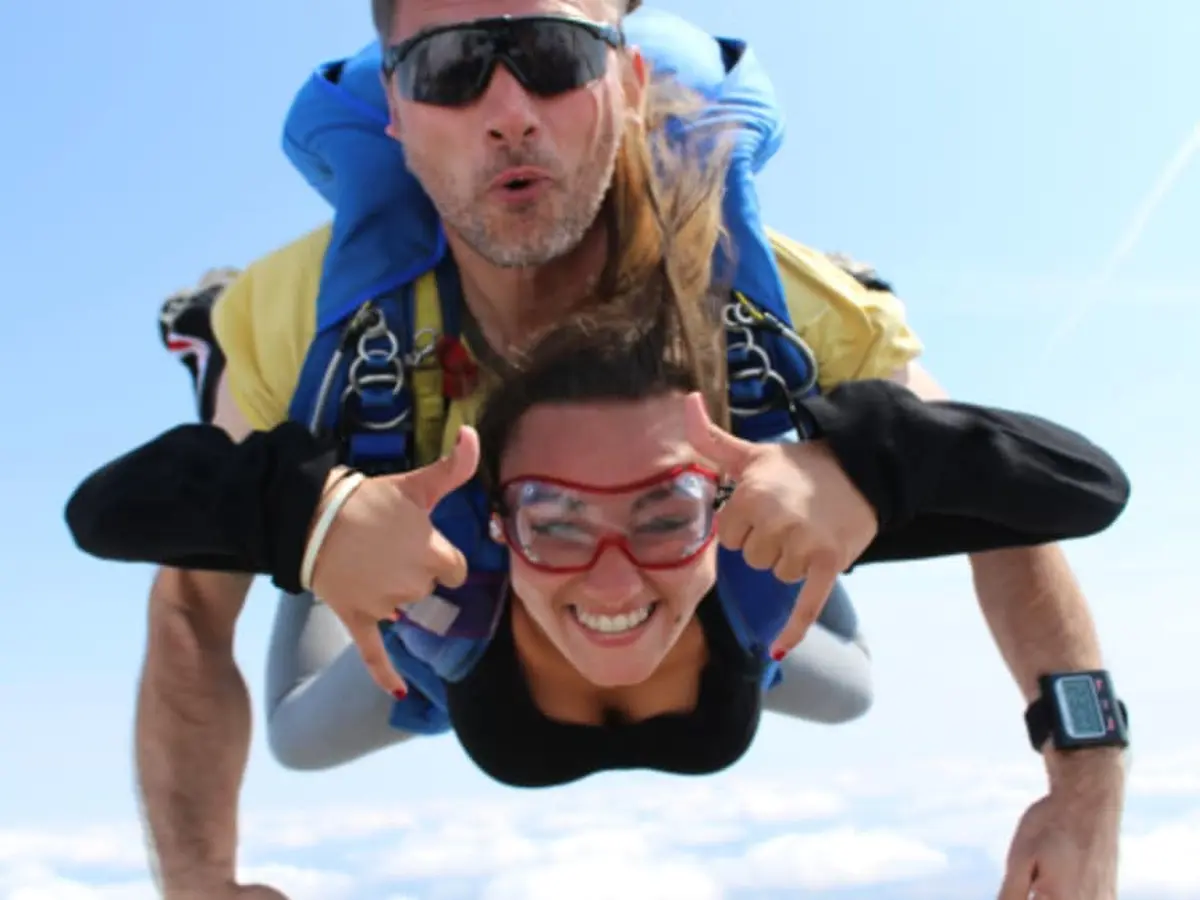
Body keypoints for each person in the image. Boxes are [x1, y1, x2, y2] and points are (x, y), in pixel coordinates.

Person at [113, 3, 1128, 898]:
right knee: (301, 727)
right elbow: (192, 608)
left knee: (846, 680)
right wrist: (312, 513)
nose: (510, 111)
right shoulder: (308, 328)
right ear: (394, 110)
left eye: (555, 55)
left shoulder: (784, 309)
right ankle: (328, 483)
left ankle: (774, 470)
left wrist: (868, 456)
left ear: (631, 80)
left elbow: (1004, 495)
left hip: (695, 578)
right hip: (437, 605)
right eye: (448, 70)